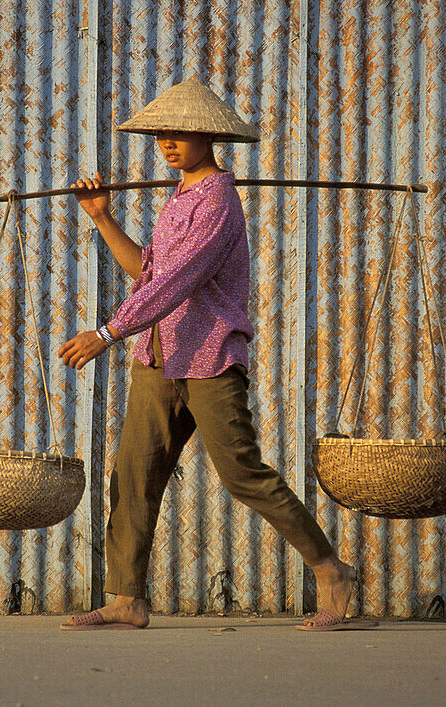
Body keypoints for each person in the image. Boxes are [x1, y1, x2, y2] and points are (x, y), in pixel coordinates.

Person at [56, 76, 372, 632]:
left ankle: (331, 572)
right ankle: (126, 597)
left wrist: (106, 334)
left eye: (181, 134)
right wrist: (102, 217)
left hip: (209, 358)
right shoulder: (177, 199)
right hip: (159, 355)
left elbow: (179, 281)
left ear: (209, 136)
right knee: (134, 474)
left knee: (242, 472)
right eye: (162, 136)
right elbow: (149, 275)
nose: (169, 144)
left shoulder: (219, 200)